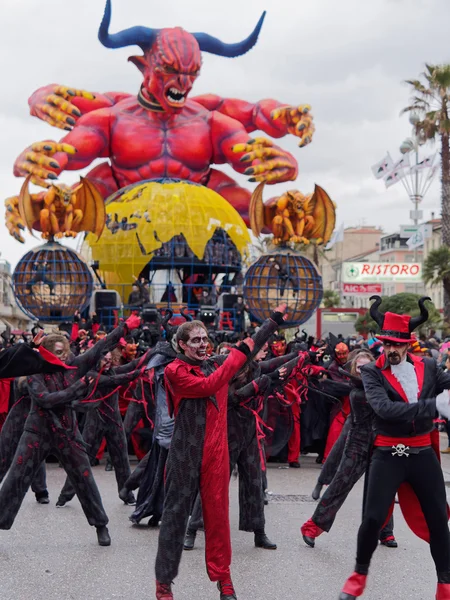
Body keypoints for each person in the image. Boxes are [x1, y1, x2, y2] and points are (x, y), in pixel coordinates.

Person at [154, 306, 286, 600]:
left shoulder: (215, 363)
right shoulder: (175, 371)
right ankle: (164, 583)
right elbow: (209, 386)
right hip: (185, 453)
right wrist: (237, 356)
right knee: (175, 518)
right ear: (182, 345)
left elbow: (249, 352)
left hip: (217, 451)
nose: (202, 344)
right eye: (195, 340)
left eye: (204, 339)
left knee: (218, 519)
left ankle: (224, 579)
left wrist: (272, 322)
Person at [338, 296, 450, 600]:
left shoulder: (428, 366)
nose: (390, 350)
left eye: (396, 345)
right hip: (387, 454)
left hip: (422, 454)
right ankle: (358, 575)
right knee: (373, 518)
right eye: (386, 344)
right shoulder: (372, 373)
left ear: (407, 344)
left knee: (439, 520)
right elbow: (385, 410)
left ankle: (445, 585)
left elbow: (447, 382)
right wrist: (433, 405)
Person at [0, 314, 140, 547]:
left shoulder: (74, 366)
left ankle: (100, 524)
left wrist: (124, 328)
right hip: (36, 433)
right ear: (45, 352)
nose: (62, 355)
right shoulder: (36, 373)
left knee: (84, 478)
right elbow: (46, 400)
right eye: (56, 352)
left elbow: (101, 347)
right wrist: (77, 389)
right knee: (16, 478)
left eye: (64, 351)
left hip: (67, 433)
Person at [301, 350, 396, 549]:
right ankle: (313, 526)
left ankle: (385, 532)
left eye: (367, 367)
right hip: (358, 444)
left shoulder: (382, 387)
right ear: (354, 370)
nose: (364, 371)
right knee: (339, 486)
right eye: (360, 368)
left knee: (382, 490)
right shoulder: (356, 391)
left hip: (381, 444)